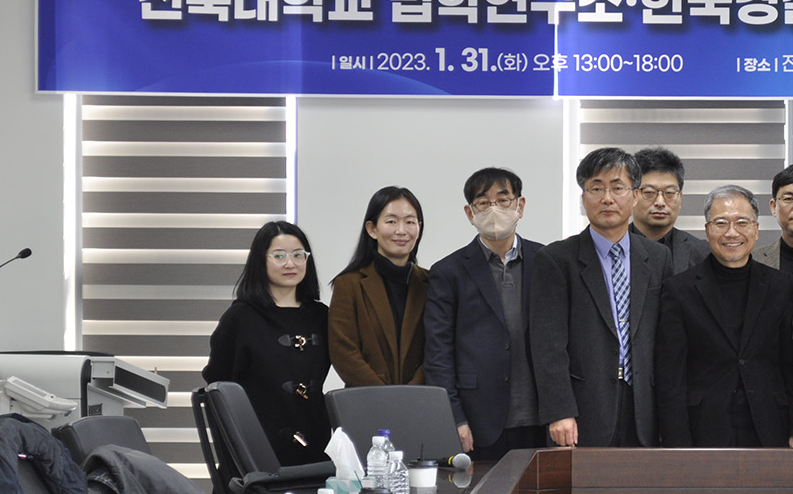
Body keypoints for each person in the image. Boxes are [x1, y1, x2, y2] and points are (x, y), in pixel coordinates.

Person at [531, 147, 672, 448]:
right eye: (596, 188)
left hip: (644, 408)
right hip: (583, 409)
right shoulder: (556, 259)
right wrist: (559, 411)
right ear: (583, 198)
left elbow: (666, 340)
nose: (607, 198)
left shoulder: (659, 258)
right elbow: (548, 344)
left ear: (635, 196)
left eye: (617, 188)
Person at [657, 185, 793, 448]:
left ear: (756, 229)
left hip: (770, 426)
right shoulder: (679, 290)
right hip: (703, 429)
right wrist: (676, 443)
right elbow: (671, 378)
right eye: (721, 223)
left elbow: (792, 365)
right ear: (707, 230)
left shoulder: (781, 286)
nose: (731, 232)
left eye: (741, 222)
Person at [423, 168, 545, 463]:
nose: (494, 209)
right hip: (479, 420)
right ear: (470, 212)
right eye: (483, 203)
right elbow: (438, 353)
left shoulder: (546, 261)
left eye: (503, 200)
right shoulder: (448, 271)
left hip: (540, 416)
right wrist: (454, 417)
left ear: (520, 205)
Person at [204, 221, 331, 466]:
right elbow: (218, 384)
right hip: (257, 446)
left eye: (298, 255)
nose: (290, 264)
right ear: (260, 261)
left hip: (315, 440)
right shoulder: (240, 317)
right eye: (279, 256)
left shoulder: (321, 316)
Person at [329, 186, 429, 386]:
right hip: (366, 399)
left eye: (410, 222)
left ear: (419, 228)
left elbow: (440, 347)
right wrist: (383, 397)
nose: (401, 230)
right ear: (372, 229)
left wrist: (412, 393)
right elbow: (344, 351)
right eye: (391, 221)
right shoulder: (348, 285)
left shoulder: (432, 283)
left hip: (421, 399)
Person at [631, 146, 709, 274]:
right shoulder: (611, 247)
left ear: (680, 197)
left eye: (670, 193)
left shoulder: (702, 254)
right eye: (649, 192)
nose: (660, 202)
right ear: (632, 195)